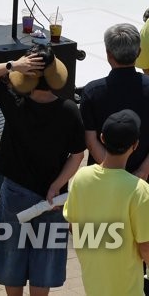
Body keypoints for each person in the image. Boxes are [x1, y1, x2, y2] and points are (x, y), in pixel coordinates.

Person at [0, 46, 85, 295]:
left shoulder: (15, 104)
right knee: (45, 259)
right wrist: (56, 185)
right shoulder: (69, 110)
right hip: (52, 198)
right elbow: (77, 155)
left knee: (12, 257)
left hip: (15, 194)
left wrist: (13, 65)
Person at [63, 109, 149, 296]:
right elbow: (146, 247)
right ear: (135, 145)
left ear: (102, 138)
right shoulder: (139, 190)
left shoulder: (81, 178)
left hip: (93, 281)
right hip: (127, 288)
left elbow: (73, 224)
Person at [80, 23, 149, 176]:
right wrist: (143, 171)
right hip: (143, 181)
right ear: (138, 52)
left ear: (108, 54)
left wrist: (114, 174)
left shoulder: (92, 92)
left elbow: (91, 142)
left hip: (103, 177)